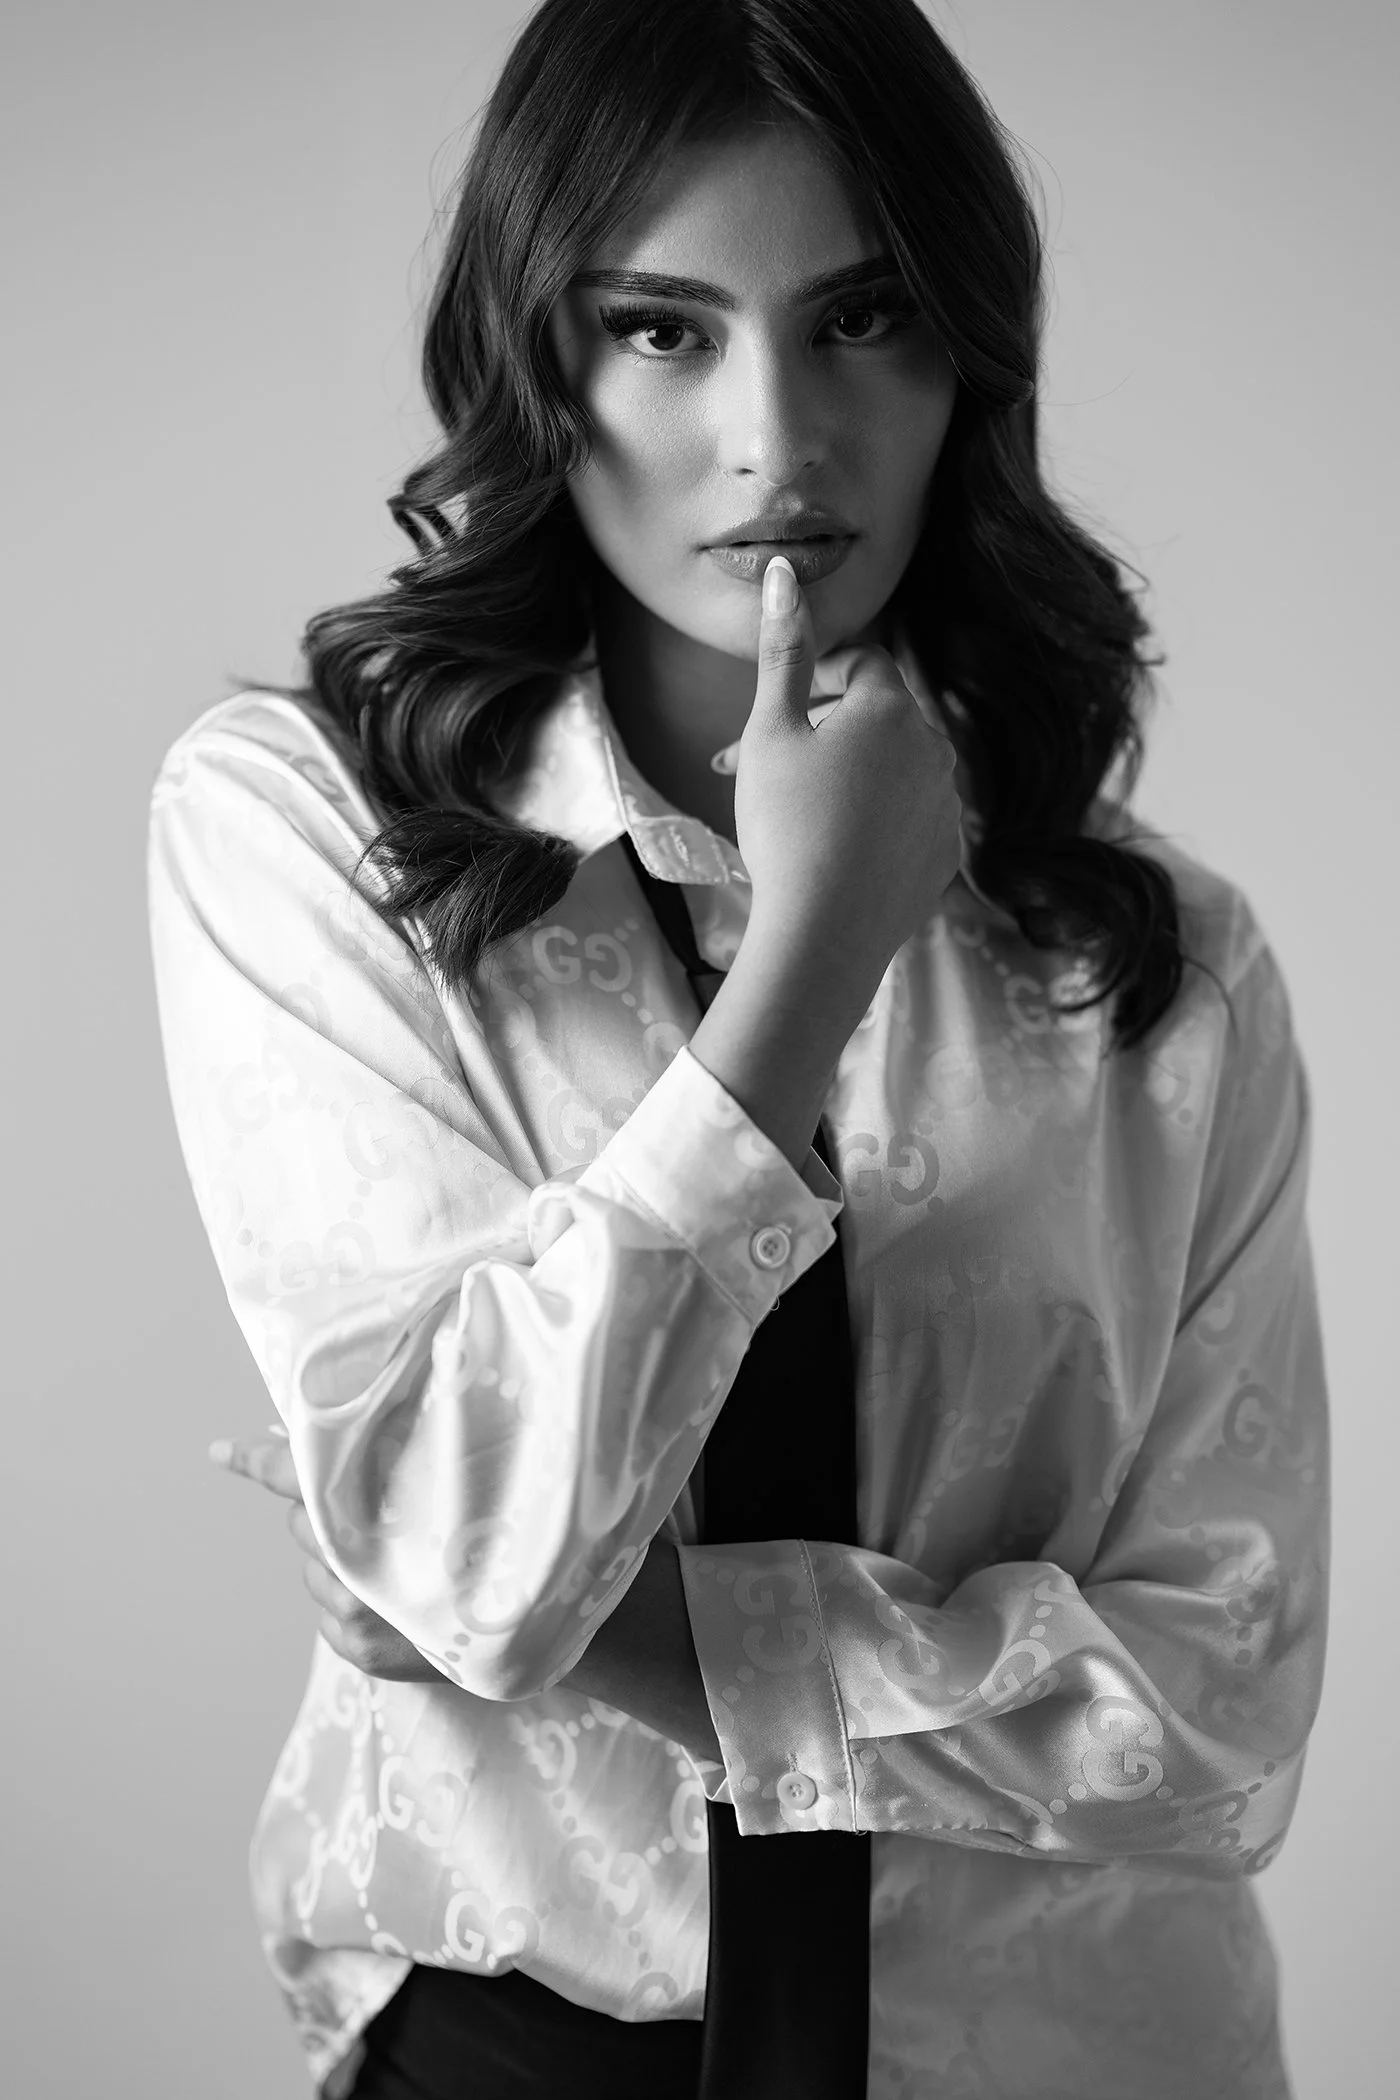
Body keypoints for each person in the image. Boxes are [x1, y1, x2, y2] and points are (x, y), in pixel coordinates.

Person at [148, 0, 1330, 2095]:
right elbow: (473, 1548)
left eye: (862, 318)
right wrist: (807, 978)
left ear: (968, 354)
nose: (778, 438)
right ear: (539, 361)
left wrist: (655, 1647)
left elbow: (1219, 1706)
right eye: (661, 330)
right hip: (524, 2054)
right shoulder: (310, 835)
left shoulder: (1166, 968)